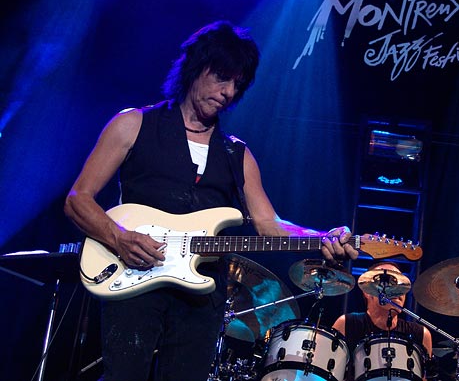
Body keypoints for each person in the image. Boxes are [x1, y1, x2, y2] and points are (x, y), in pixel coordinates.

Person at [64, 20, 359, 381]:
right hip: (134, 274)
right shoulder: (134, 124)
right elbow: (78, 199)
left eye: (237, 84)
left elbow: (269, 224)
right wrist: (119, 237)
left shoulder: (237, 154)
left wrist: (322, 237)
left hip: (202, 293)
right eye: (221, 77)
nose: (228, 92)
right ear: (195, 66)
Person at [332, 261, 433, 381]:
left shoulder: (421, 334)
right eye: (387, 281)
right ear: (367, 292)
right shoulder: (346, 324)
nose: (397, 288)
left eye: (400, 283)